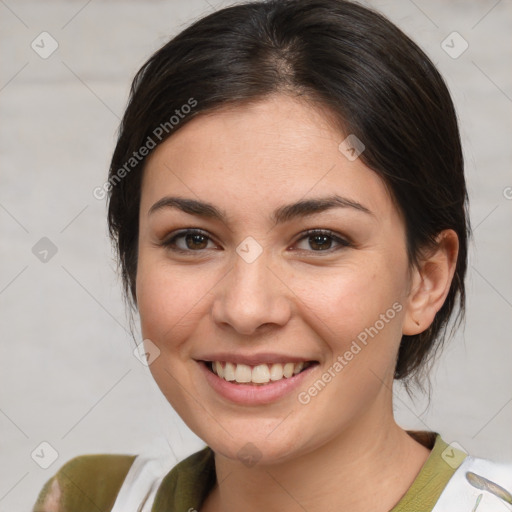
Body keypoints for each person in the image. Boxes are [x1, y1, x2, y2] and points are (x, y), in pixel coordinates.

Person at [32, 0, 512, 511]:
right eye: (193, 239)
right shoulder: (91, 499)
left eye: (319, 240)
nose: (246, 309)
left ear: (425, 280)